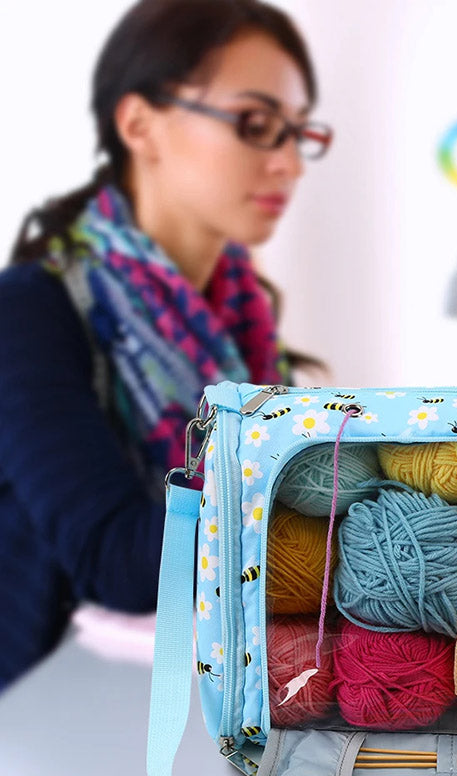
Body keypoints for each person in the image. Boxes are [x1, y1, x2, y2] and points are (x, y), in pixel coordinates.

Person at [0, 0, 331, 690]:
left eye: (299, 134)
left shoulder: (246, 329)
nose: (289, 165)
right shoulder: (31, 311)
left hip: (185, 713)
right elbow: (119, 564)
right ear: (139, 124)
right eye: (257, 124)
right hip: (44, 736)